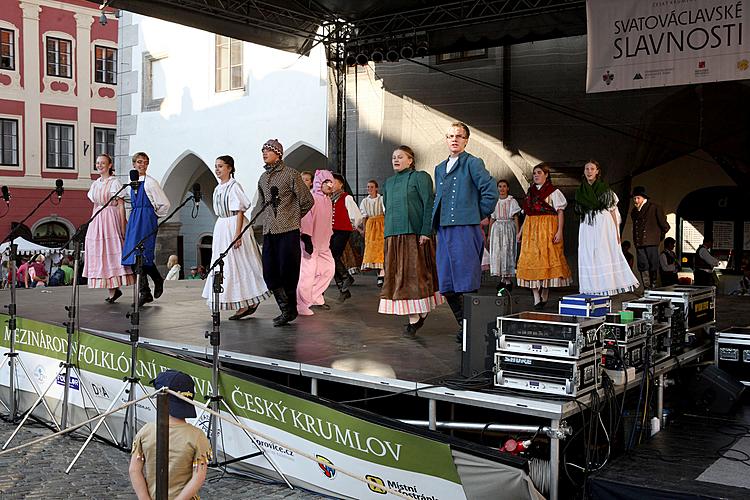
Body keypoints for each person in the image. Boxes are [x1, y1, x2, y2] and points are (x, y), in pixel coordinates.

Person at [432, 122, 498, 339]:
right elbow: (439, 199)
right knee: (446, 282)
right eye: (451, 136)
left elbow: (490, 191)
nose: (454, 139)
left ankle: (470, 328)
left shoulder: (473, 163)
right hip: (444, 229)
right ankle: (463, 322)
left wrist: (476, 215)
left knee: (466, 279)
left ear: (466, 140)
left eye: (459, 136)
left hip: (465, 229)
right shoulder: (440, 167)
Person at [380, 146, 443, 337]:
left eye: (400, 157)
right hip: (393, 235)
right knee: (398, 278)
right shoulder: (388, 183)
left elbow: (429, 204)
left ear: (410, 160)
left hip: (414, 235)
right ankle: (413, 314)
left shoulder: (420, 177)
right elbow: (387, 208)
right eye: (393, 157)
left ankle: (417, 314)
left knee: (415, 277)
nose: (396, 160)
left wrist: (426, 231)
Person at [203, 155, 270, 319]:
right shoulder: (218, 188)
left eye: (220, 166)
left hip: (234, 225)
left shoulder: (234, 186)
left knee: (241, 263)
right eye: (216, 166)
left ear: (229, 168)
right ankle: (242, 302)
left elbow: (240, 211)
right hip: (222, 226)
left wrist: (238, 234)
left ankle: (249, 301)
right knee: (226, 264)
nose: (217, 169)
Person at [256, 139, 314, 326]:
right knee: (269, 272)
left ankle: (289, 310)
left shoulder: (291, 174)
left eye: (268, 150)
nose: (264, 153)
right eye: (263, 151)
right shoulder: (263, 178)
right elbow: (261, 204)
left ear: (278, 153)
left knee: (288, 271)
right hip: (269, 230)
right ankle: (287, 309)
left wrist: (293, 217)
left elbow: (307, 200)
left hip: (288, 230)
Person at [129, 370, 211, 500]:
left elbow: (134, 470)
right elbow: (198, 477)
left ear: (159, 398)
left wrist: (144, 498)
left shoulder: (146, 431)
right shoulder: (197, 436)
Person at [574, 160, 639, 295]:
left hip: (603, 223)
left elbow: (613, 211)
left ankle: (606, 288)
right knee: (588, 253)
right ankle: (591, 288)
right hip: (587, 224)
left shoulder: (605, 189)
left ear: (597, 171)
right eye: (587, 169)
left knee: (604, 253)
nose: (589, 171)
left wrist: (616, 232)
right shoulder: (581, 190)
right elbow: (580, 211)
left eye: (592, 169)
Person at [516, 163, 572, 309]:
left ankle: (545, 291)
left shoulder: (553, 192)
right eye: (534, 173)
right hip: (531, 230)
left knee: (547, 259)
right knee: (531, 260)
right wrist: (521, 231)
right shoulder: (530, 192)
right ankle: (536, 296)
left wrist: (559, 231)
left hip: (548, 228)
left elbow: (560, 212)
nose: (536, 175)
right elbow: (528, 214)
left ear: (546, 175)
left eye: (539, 172)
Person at [122, 152, 171, 307]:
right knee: (132, 257)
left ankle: (145, 292)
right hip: (135, 218)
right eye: (138, 162)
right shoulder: (131, 182)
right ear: (134, 164)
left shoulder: (151, 183)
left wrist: (153, 216)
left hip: (146, 218)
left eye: (144, 162)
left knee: (142, 255)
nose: (141, 165)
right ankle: (155, 281)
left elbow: (165, 204)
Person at [297, 170, 335, 315]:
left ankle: (313, 297)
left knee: (328, 270)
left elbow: (327, 222)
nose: (330, 185)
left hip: (324, 244)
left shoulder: (328, 200)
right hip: (310, 243)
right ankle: (301, 304)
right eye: (327, 182)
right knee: (307, 275)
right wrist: (306, 238)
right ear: (320, 183)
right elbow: (306, 219)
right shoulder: (311, 198)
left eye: (331, 182)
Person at [329, 173, 363, 301]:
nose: (331, 185)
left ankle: (345, 278)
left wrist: (351, 225)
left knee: (333, 256)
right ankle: (343, 287)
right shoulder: (330, 198)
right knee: (331, 258)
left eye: (334, 182)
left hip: (342, 231)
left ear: (341, 184)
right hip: (332, 231)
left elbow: (357, 216)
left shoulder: (346, 198)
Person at [630, 186, 670, 289]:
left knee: (653, 264)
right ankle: (647, 287)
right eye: (634, 198)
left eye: (638, 198)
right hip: (639, 243)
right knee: (643, 265)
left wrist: (657, 238)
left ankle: (653, 285)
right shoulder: (634, 212)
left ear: (643, 197)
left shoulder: (654, 207)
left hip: (651, 242)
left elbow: (665, 226)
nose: (636, 200)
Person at [489, 179, 521, 294]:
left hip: (508, 227)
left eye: (504, 186)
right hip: (497, 228)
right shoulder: (494, 201)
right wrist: (489, 235)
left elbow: (516, 217)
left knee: (508, 252)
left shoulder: (511, 201)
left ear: (508, 188)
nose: (502, 189)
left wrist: (518, 232)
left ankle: (507, 280)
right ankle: (503, 279)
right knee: (498, 252)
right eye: (500, 186)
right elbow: (492, 218)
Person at [359, 179, 385, 286]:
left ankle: (382, 274)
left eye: (372, 187)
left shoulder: (382, 199)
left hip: (381, 224)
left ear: (376, 188)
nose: (369, 189)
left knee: (381, 249)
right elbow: (364, 216)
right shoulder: (365, 201)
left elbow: (385, 212)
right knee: (372, 249)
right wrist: (364, 230)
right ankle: (379, 273)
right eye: (368, 187)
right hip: (371, 225)